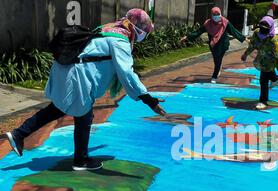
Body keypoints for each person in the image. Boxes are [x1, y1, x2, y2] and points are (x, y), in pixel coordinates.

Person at [6, 8, 166, 171]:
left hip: (67, 69)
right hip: (77, 75)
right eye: (145, 31)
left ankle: (20, 134)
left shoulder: (108, 28)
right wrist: (148, 99)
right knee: (82, 114)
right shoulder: (120, 40)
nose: (144, 35)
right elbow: (126, 73)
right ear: (137, 28)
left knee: (59, 110)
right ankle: (80, 160)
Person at [181, 7, 246, 84]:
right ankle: (218, 68)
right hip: (213, 45)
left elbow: (233, 31)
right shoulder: (208, 24)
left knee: (218, 59)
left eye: (218, 14)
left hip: (223, 44)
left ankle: (214, 76)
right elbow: (198, 32)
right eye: (214, 14)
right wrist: (187, 37)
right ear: (211, 15)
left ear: (220, 14)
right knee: (216, 59)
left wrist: (244, 39)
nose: (216, 16)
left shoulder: (225, 22)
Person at [241, 16, 278, 110]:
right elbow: (252, 45)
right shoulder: (257, 33)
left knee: (263, 80)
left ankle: (263, 101)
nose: (262, 30)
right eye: (261, 27)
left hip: (270, 62)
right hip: (261, 60)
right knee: (268, 76)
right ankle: (275, 79)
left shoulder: (273, 40)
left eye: (265, 28)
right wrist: (245, 54)